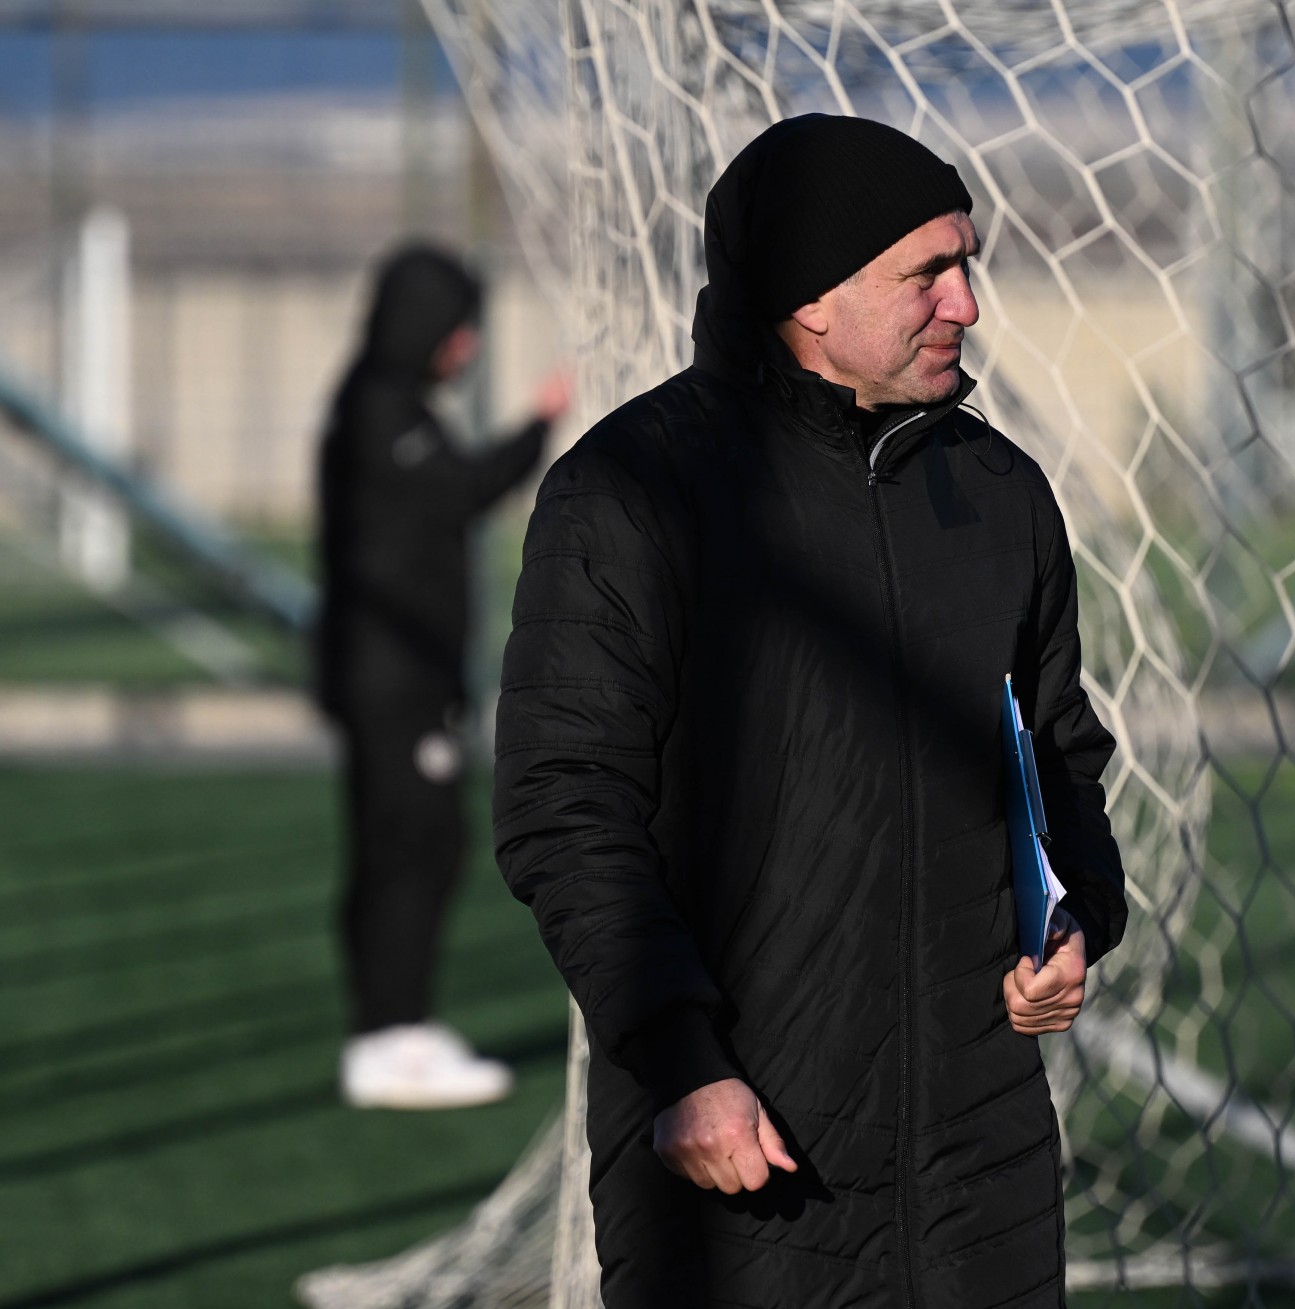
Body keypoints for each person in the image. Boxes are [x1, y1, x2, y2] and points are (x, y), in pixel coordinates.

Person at [494, 115, 1128, 1306]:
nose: (965, 304)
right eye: (927, 273)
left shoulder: (999, 494)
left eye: (966, 265)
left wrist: (1079, 913)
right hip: (743, 1146)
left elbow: (1059, 752)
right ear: (810, 297)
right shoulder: (631, 493)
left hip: (980, 1161)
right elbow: (564, 809)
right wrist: (683, 1060)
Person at [316, 242, 570, 1110]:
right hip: (391, 678)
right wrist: (541, 421)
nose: (465, 347)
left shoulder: (383, 402)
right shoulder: (382, 410)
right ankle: (394, 1035)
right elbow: (463, 488)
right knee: (416, 845)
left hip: (395, 672)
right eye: (457, 328)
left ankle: (387, 1030)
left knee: (404, 844)